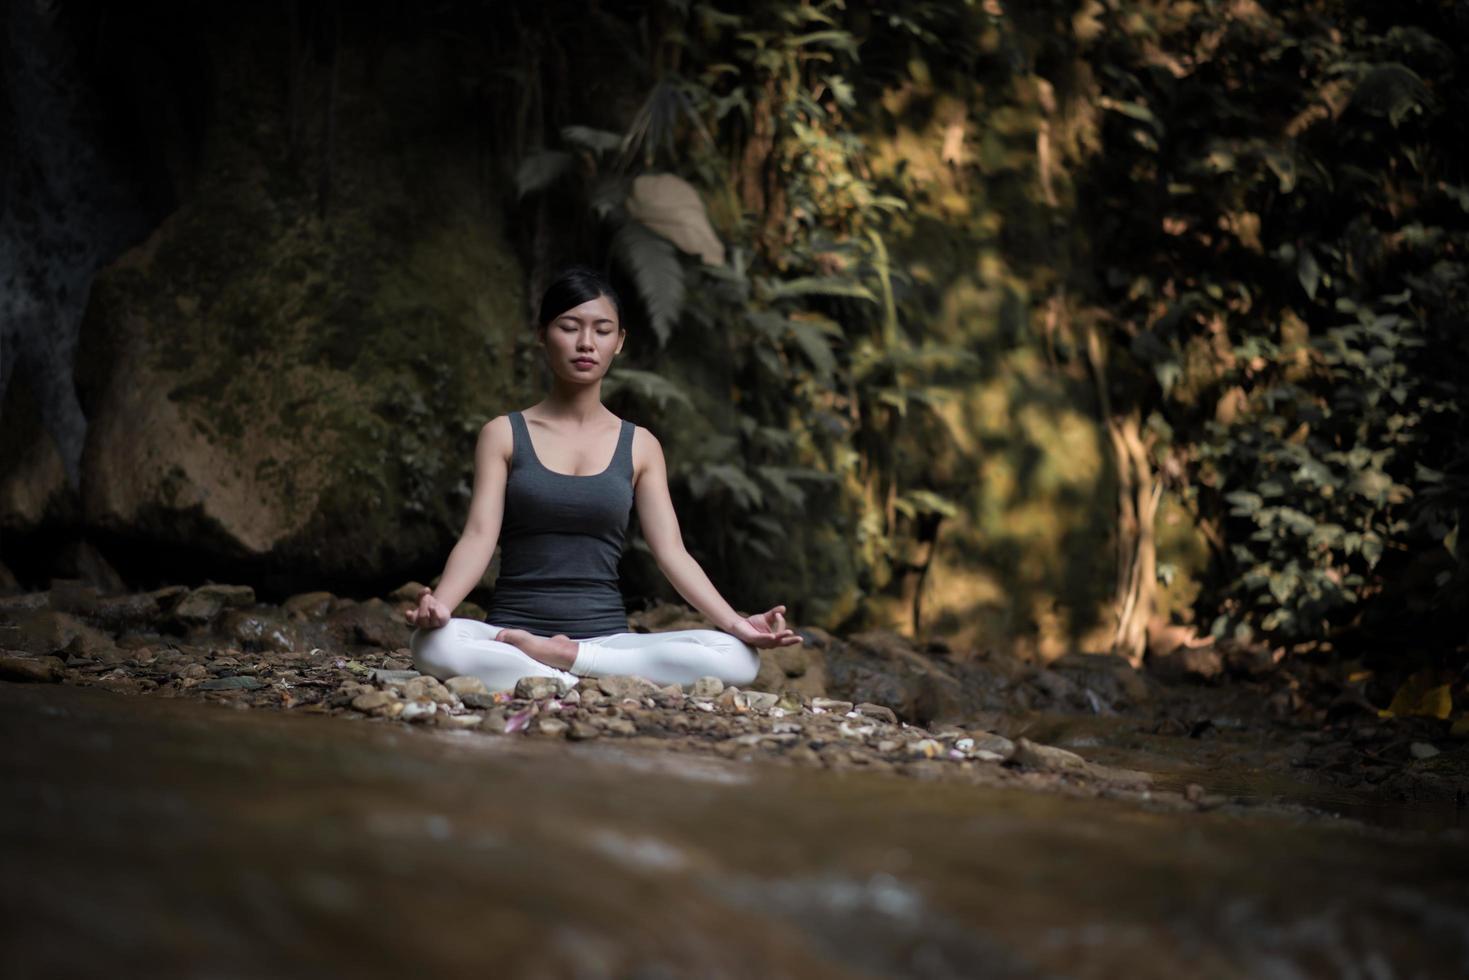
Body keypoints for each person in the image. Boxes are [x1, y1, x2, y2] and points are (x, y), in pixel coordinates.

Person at [403, 266, 802, 693]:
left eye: (602, 330)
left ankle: (568, 664)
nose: (585, 343)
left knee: (740, 658)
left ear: (620, 342)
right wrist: (440, 606)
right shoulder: (502, 434)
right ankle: (583, 676)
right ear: (542, 335)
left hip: (608, 639)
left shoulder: (640, 445)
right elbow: (479, 536)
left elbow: (671, 552)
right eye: (569, 327)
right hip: (509, 636)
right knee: (432, 644)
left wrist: (737, 624)